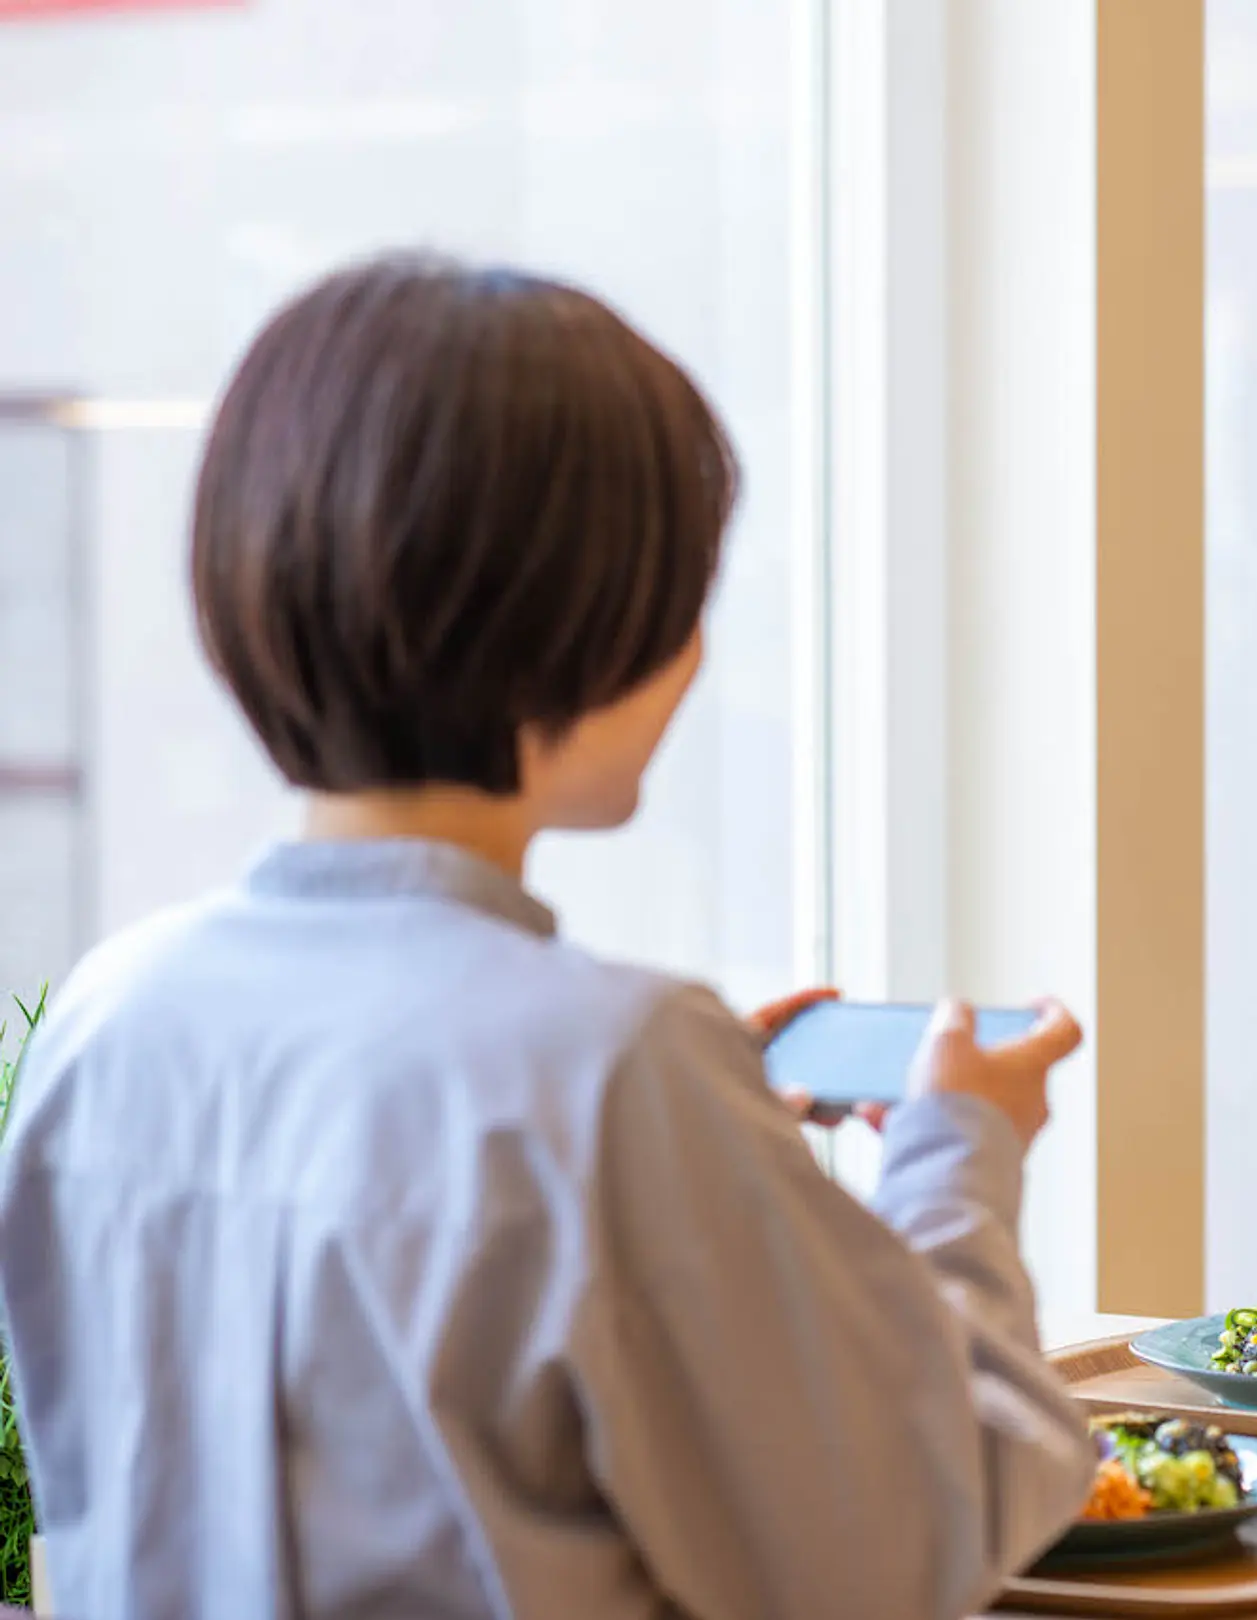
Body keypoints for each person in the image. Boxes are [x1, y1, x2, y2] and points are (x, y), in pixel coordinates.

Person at [0, 254, 1095, 1618]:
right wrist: (959, 1155)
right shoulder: (609, 1067)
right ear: (579, 619)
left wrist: (700, 1150)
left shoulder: (110, 1018)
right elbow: (906, 1543)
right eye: (678, 586)